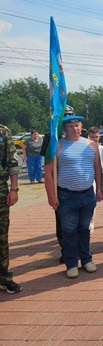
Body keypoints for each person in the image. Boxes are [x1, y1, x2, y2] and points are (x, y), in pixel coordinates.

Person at [44, 115, 102, 278]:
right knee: (69, 231)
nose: (74, 129)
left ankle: (86, 259)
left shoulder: (91, 145)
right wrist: (51, 195)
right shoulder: (57, 146)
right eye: (70, 126)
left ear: (81, 126)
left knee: (84, 229)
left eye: (77, 125)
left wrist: (99, 190)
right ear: (64, 129)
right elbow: (48, 173)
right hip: (66, 196)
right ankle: (71, 263)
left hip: (87, 194)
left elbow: (98, 168)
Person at [39, 104, 76, 263]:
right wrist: (50, 193)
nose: (66, 117)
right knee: (62, 222)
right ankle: (65, 250)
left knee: (81, 222)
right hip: (59, 184)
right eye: (63, 114)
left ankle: (80, 250)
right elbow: (47, 162)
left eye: (69, 114)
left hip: (77, 183)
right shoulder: (51, 135)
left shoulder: (81, 132)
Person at [0, 124, 21, 293]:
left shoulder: (3, 131)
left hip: (0, 190)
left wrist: (13, 189)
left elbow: (12, 162)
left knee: (1, 235)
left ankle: (3, 277)